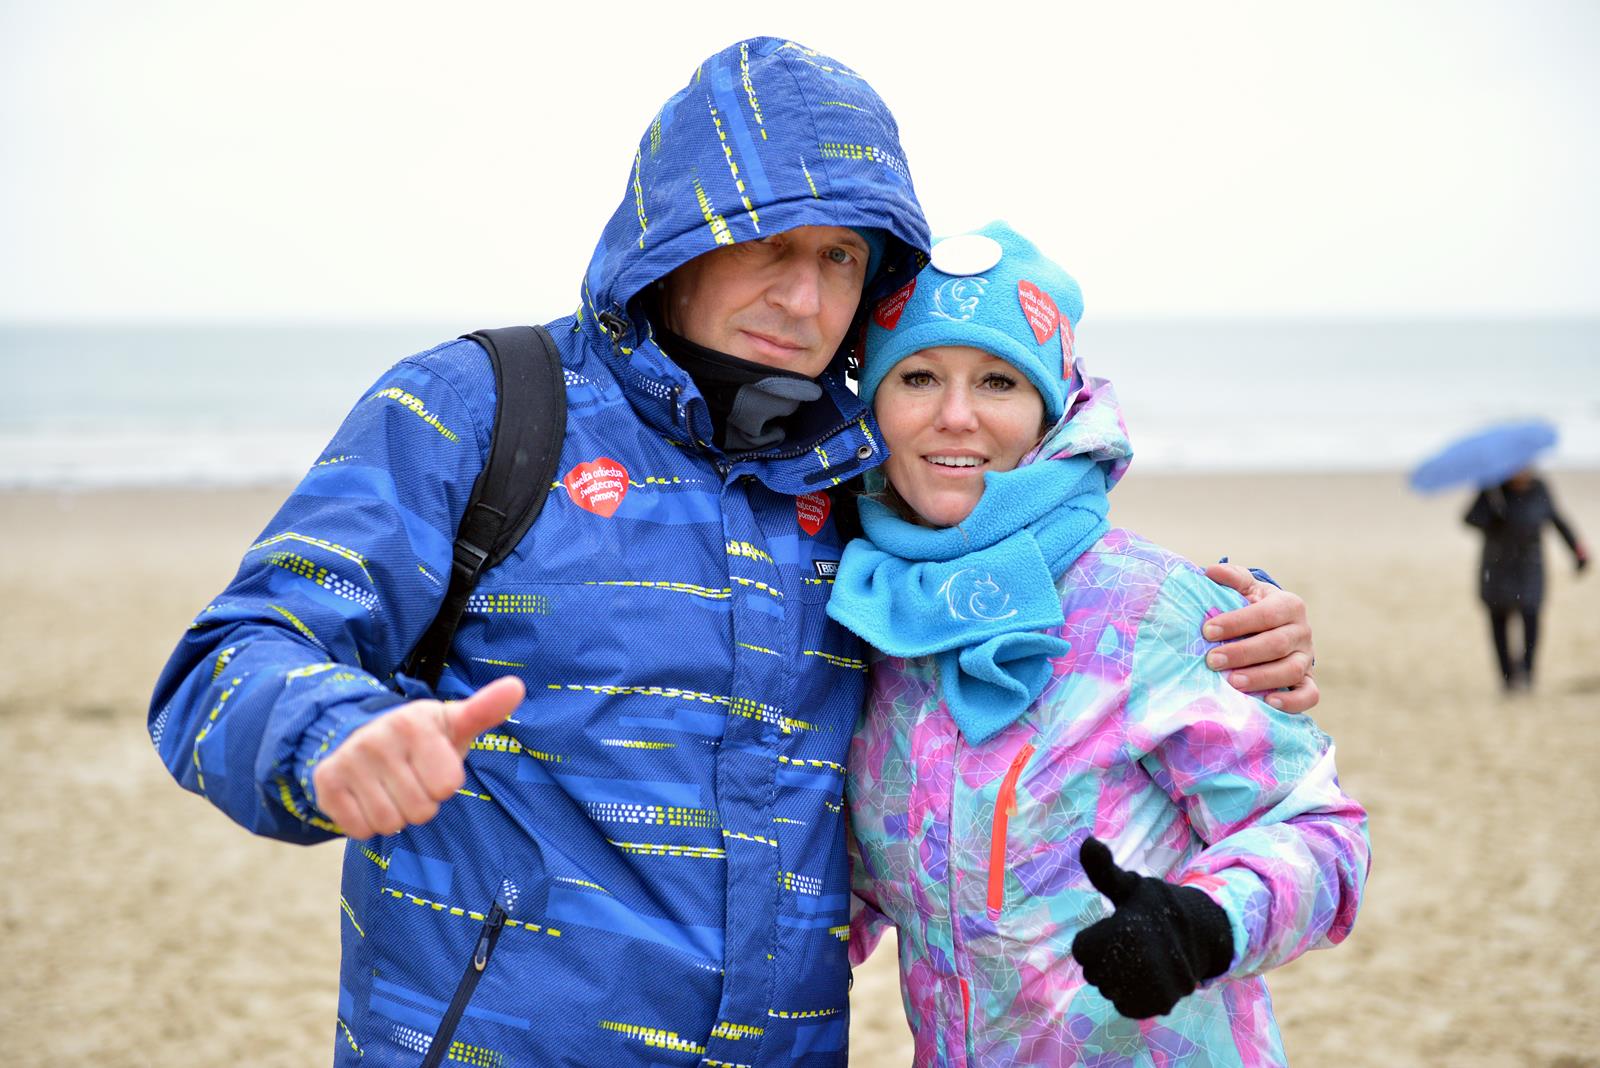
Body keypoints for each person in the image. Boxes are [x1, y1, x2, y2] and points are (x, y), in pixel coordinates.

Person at [148, 41, 1319, 1067]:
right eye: (766, 242)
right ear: (675, 239)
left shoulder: (854, 488)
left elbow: (1033, 572)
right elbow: (231, 656)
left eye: (841, 258)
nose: (803, 298)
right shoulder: (481, 408)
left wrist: (1239, 629)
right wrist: (329, 738)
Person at [831, 222, 1369, 1065]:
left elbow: (1321, 837)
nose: (956, 416)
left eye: (999, 380)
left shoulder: (1148, 606)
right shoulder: (870, 621)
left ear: (1050, 411)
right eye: (919, 376)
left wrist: (1202, 923)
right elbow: (845, 892)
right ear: (874, 403)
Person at [1465, 468, 1588, 692]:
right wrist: (1492, 513)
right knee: (1499, 623)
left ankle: (1528, 674)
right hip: (1497, 568)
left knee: (1531, 619)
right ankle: (1506, 678)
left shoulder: (1539, 489)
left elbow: (1557, 520)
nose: (1523, 472)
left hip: (1530, 567)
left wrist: (1578, 552)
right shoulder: (1492, 491)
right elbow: (1470, 519)